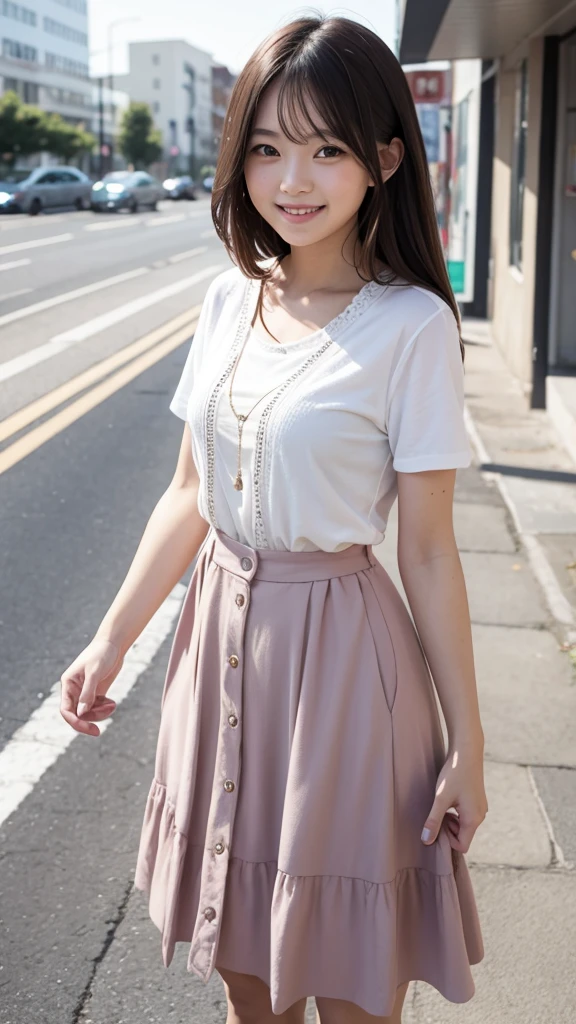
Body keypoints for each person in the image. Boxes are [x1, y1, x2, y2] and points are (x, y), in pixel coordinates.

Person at [60, 15, 488, 1024]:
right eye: (267, 146)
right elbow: (187, 494)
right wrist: (110, 638)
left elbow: (428, 548)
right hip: (216, 652)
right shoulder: (225, 302)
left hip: (344, 670)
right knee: (244, 971)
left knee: (348, 984)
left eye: (326, 148)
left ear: (384, 158)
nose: (291, 178)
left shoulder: (412, 327)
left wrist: (469, 741)